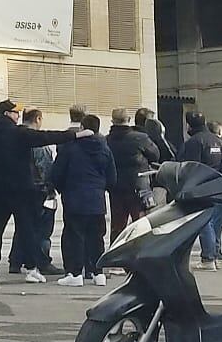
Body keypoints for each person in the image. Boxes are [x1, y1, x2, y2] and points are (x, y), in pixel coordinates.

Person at [0, 100, 79, 284]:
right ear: (7, 114)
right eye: (15, 112)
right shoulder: (18, 133)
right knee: (26, 229)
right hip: (22, 189)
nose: (18, 115)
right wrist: (73, 135)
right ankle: (31, 269)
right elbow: (46, 137)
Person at [49, 114, 116, 287]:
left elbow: (56, 173)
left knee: (75, 236)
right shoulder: (105, 149)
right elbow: (112, 178)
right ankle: (97, 272)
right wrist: (101, 188)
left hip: (74, 198)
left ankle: (75, 273)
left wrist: (62, 189)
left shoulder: (70, 148)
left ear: (81, 128)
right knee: (97, 237)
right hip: (97, 200)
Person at [178, 113, 222, 269]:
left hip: (198, 185)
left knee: (202, 222)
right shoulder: (216, 141)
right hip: (213, 183)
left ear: (189, 125)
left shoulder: (194, 142)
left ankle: (208, 257)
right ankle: (211, 255)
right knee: (208, 220)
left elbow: (189, 166)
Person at [20, 109, 63, 277]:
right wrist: (51, 188)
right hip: (40, 190)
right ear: (37, 119)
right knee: (43, 230)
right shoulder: (40, 144)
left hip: (22, 188)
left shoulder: (15, 139)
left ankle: (17, 260)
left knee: (25, 226)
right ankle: (43, 262)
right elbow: (46, 168)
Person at [106, 108, 159, 241]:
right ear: (128, 120)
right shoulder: (140, 138)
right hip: (138, 186)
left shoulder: (106, 140)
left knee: (117, 226)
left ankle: (116, 256)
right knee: (140, 225)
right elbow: (155, 154)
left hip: (116, 187)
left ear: (112, 121)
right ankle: (140, 256)